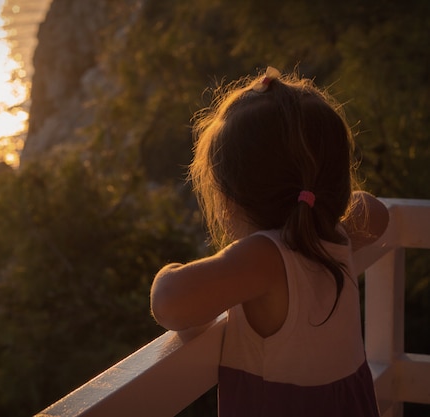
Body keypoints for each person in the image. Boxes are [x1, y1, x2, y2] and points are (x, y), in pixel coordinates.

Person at [150, 67, 389, 416]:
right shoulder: (331, 236)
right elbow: (375, 210)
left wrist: (171, 270)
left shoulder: (266, 258)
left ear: (229, 201)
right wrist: (323, 213)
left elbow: (169, 302)